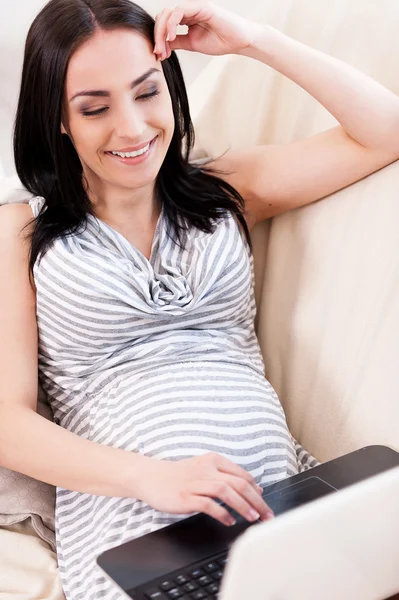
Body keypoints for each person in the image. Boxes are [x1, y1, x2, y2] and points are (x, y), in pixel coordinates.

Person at [1, 0, 399, 598]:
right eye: (94, 107)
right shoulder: (24, 230)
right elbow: (7, 422)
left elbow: (386, 131)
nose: (132, 128)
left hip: (278, 505)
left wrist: (256, 41)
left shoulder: (226, 191)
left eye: (147, 92)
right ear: (58, 119)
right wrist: (151, 478)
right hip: (135, 525)